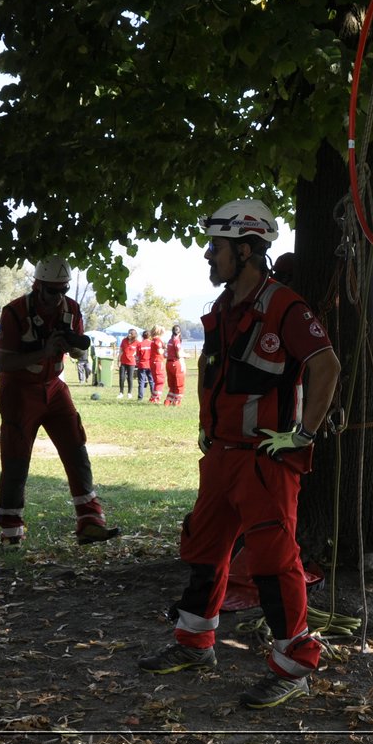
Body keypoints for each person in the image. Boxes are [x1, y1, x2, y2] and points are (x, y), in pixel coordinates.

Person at [139, 198, 340, 710]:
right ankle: (194, 644)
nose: (209, 257)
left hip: (266, 462)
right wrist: (207, 429)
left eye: (217, 248)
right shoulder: (225, 310)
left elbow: (327, 366)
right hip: (223, 457)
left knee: (274, 563)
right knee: (204, 550)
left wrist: (304, 433)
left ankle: (294, 665)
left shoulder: (285, 307)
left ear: (247, 251)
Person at [0, 259, 121, 547]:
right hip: (19, 390)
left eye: (62, 290)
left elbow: (78, 355)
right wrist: (43, 351)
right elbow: (3, 362)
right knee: (16, 458)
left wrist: (74, 347)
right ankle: (11, 532)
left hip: (54, 387)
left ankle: (90, 522)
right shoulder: (14, 312)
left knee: (76, 447)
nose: (57, 297)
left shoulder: (71, 308)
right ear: (37, 287)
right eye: (51, 291)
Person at [164, 324, 186, 407]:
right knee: (179, 383)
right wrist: (186, 355)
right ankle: (177, 401)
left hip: (168, 363)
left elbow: (167, 353)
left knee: (172, 384)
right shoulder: (177, 341)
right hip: (175, 363)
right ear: (179, 332)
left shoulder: (170, 340)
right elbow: (179, 355)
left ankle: (168, 401)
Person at [136, 327, 157, 402]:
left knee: (141, 382)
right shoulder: (152, 344)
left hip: (142, 365)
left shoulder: (139, 344)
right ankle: (153, 396)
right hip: (150, 365)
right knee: (152, 381)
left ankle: (140, 397)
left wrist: (137, 363)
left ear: (142, 336)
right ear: (150, 336)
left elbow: (137, 357)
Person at [117, 328, 138, 398]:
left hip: (131, 362)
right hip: (123, 361)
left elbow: (139, 352)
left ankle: (129, 393)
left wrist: (135, 355)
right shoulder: (124, 340)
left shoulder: (137, 342)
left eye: (131, 333)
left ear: (134, 335)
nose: (129, 334)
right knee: (121, 377)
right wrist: (118, 360)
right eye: (128, 333)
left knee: (130, 378)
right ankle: (121, 392)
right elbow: (120, 351)